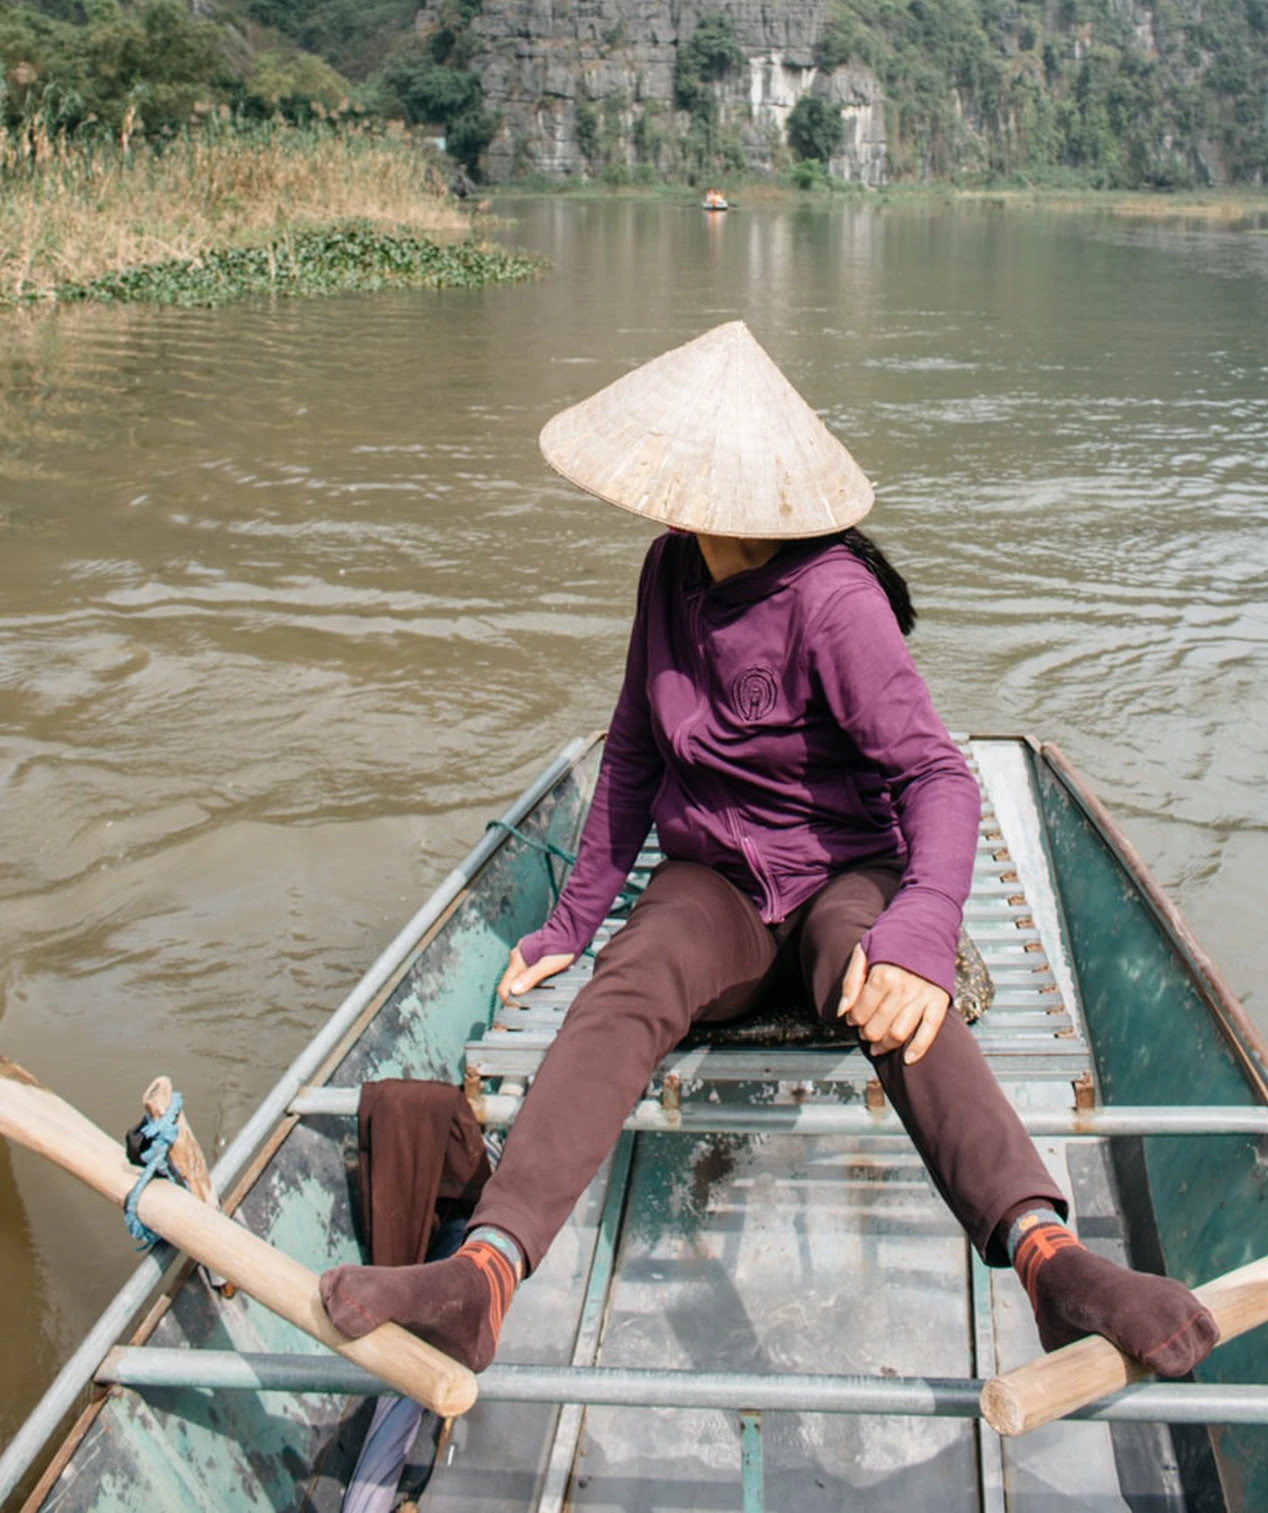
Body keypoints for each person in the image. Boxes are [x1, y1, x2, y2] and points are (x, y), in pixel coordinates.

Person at [321, 321, 1219, 1381]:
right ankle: (486, 1274)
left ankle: (1051, 1261)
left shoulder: (833, 603)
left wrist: (924, 927)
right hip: (719, 887)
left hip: (844, 870)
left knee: (885, 982)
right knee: (631, 973)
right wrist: (568, 922)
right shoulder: (668, 573)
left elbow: (938, 777)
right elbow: (632, 760)